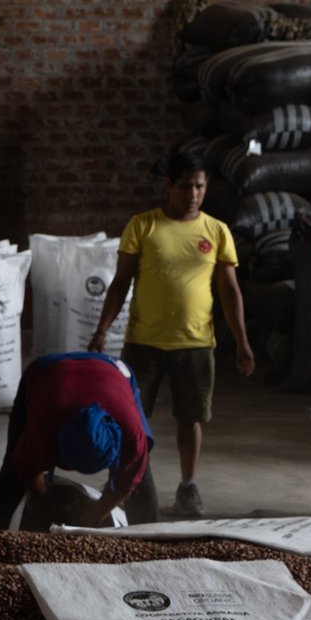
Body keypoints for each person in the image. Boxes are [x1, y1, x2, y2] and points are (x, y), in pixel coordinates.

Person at [89, 147, 254, 519]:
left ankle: (188, 486)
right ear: (168, 186)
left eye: (198, 186)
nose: (192, 194)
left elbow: (229, 291)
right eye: (184, 187)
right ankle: (122, 482)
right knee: (131, 419)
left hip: (195, 344)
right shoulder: (143, 226)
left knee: (190, 419)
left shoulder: (216, 231)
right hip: (144, 342)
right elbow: (121, 283)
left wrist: (242, 341)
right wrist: (102, 329)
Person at [0, 350, 157, 530]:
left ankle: (153, 543)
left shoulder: (131, 433)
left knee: (140, 475)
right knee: (12, 468)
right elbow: (26, 468)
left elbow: (129, 478)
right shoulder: (44, 424)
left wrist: (98, 511)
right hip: (47, 370)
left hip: (115, 372)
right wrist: (48, 503)